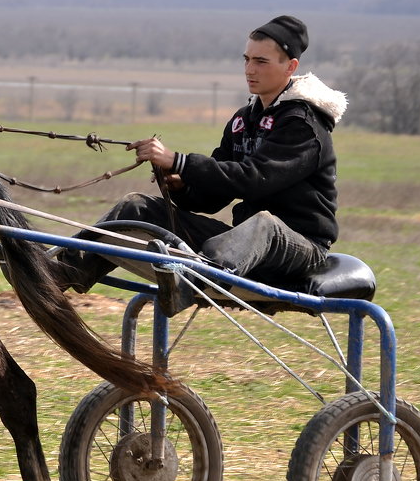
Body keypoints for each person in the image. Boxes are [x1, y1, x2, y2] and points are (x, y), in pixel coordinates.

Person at [57, 15, 348, 292]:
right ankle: (58, 274)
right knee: (135, 207)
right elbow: (214, 196)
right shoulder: (242, 121)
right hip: (240, 246)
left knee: (264, 224)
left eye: (261, 61)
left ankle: (187, 284)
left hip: (300, 248)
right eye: (246, 60)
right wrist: (182, 184)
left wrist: (179, 161)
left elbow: (254, 179)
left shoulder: (302, 124)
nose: (250, 69)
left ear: (290, 67)